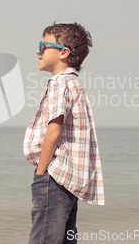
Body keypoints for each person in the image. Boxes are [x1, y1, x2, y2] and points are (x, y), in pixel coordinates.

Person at [24, 22, 104, 244]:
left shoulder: (61, 84)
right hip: (69, 180)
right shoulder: (74, 84)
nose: (37, 51)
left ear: (64, 53)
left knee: (44, 238)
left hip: (54, 176)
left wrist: (41, 172)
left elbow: (54, 130)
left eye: (43, 45)